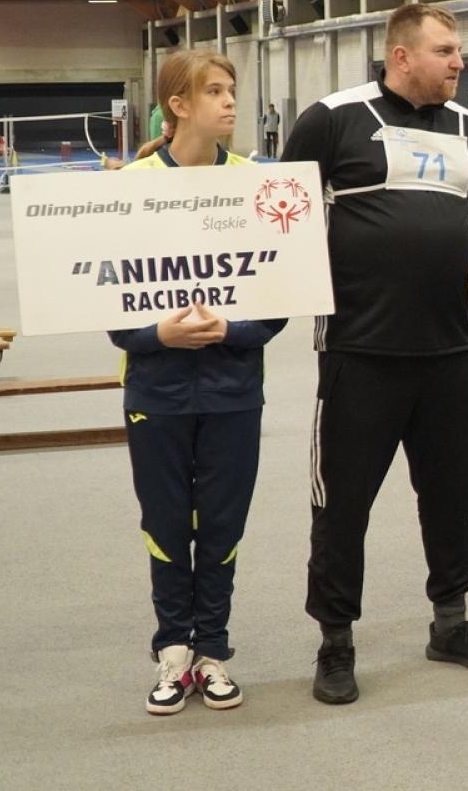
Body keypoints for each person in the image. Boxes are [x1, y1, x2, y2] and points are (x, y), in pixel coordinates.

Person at [283, 3, 468, 705]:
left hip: (448, 352)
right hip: (361, 352)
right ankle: (336, 640)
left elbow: (466, 222)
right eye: (446, 50)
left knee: (449, 498)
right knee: (344, 505)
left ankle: (451, 622)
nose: (459, 62)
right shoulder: (333, 117)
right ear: (401, 55)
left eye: (460, 52)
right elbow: (279, 211)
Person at [108, 49, 286, 714]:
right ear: (179, 105)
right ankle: (172, 651)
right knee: (163, 524)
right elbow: (107, 299)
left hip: (233, 391)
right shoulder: (130, 186)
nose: (230, 101)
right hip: (154, 391)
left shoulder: (257, 183)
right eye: (214, 91)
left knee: (221, 525)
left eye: (232, 89)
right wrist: (159, 336)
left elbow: (278, 293)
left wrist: (230, 333)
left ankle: (211, 648)